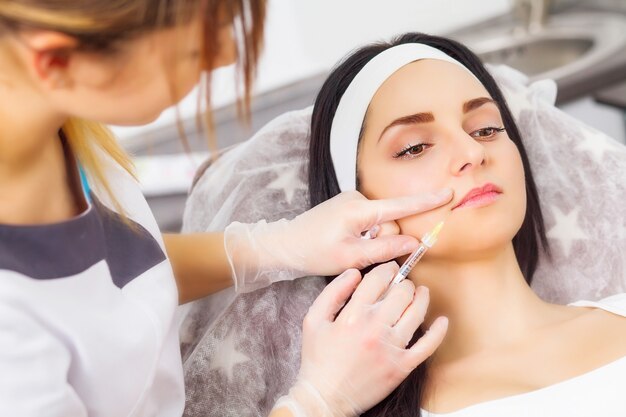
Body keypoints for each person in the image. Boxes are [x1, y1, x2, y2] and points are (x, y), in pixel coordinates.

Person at [0, 2, 452, 416]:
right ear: (57, 62)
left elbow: (107, 280)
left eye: (489, 129)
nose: (227, 56)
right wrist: (320, 402)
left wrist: (270, 248)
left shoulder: (51, 123)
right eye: (196, 47)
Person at [308, 32, 626, 416]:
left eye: (486, 129)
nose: (472, 153)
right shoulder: (340, 401)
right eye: (414, 147)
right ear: (356, 206)